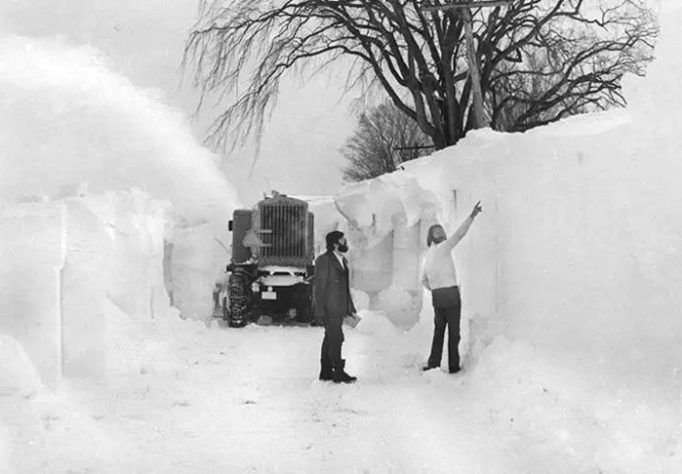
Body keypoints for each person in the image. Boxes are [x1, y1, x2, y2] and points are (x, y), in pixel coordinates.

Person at [421, 201, 483, 374]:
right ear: (431, 236)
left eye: (441, 230)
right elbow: (459, 235)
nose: (440, 232)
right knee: (453, 332)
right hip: (450, 295)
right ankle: (453, 366)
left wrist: (434, 288)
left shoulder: (428, 255)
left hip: (438, 297)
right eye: (436, 231)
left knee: (439, 331)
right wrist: (472, 216)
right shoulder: (444, 248)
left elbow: (423, 280)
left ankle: (433, 363)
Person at [314, 230, 358, 383]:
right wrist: (319, 309)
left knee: (330, 337)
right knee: (336, 338)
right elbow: (319, 286)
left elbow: (345, 287)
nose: (345, 242)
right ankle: (338, 371)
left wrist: (350, 307)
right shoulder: (324, 260)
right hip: (329, 306)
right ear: (334, 243)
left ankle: (326, 371)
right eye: (342, 240)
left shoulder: (343, 260)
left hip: (340, 306)